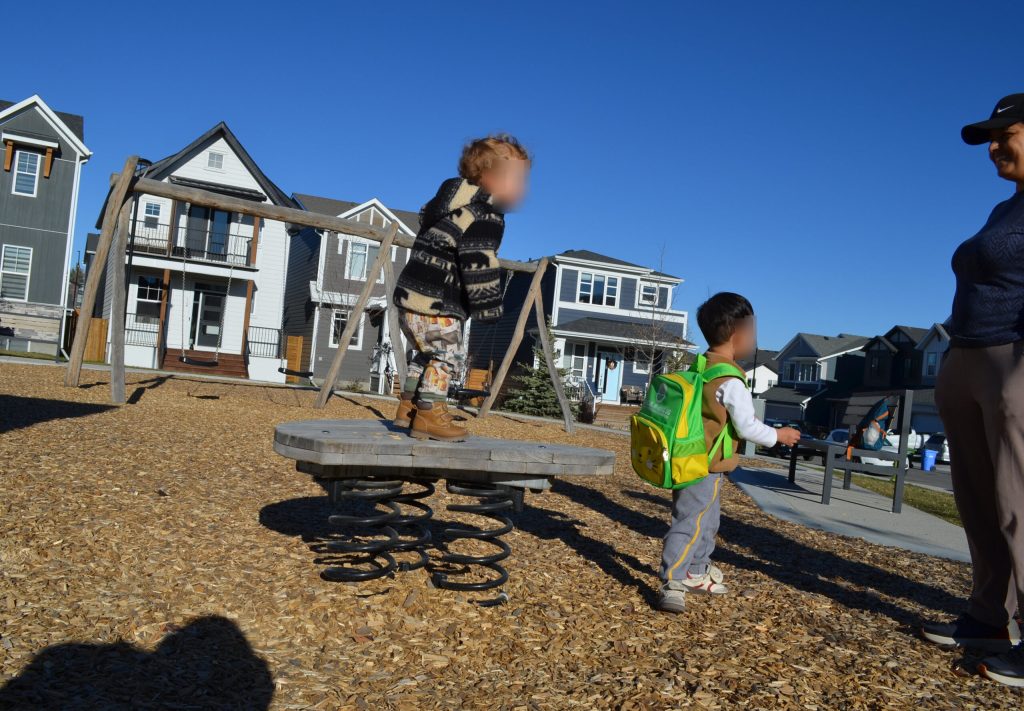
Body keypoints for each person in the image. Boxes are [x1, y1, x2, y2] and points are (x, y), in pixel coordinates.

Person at [920, 94, 1024, 687]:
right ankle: (988, 615)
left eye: (1003, 134)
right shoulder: (1003, 209)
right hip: (969, 355)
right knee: (979, 500)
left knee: (1018, 501)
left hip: (1015, 357)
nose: (991, 148)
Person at [658, 292, 800, 613]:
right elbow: (748, 427)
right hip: (702, 465)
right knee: (690, 522)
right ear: (739, 334)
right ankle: (672, 580)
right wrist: (779, 435)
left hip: (695, 458)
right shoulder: (731, 380)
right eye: (753, 332)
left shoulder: (702, 365)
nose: (755, 339)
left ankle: (695, 570)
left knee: (707, 519)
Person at [392, 135, 530, 441]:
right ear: (489, 179)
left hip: (410, 297)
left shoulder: (448, 207)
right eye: (517, 179)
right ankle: (429, 414)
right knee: (446, 357)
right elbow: (478, 261)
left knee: (426, 355)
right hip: (438, 302)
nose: (523, 188)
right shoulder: (486, 215)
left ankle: (409, 408)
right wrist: (489, 307)